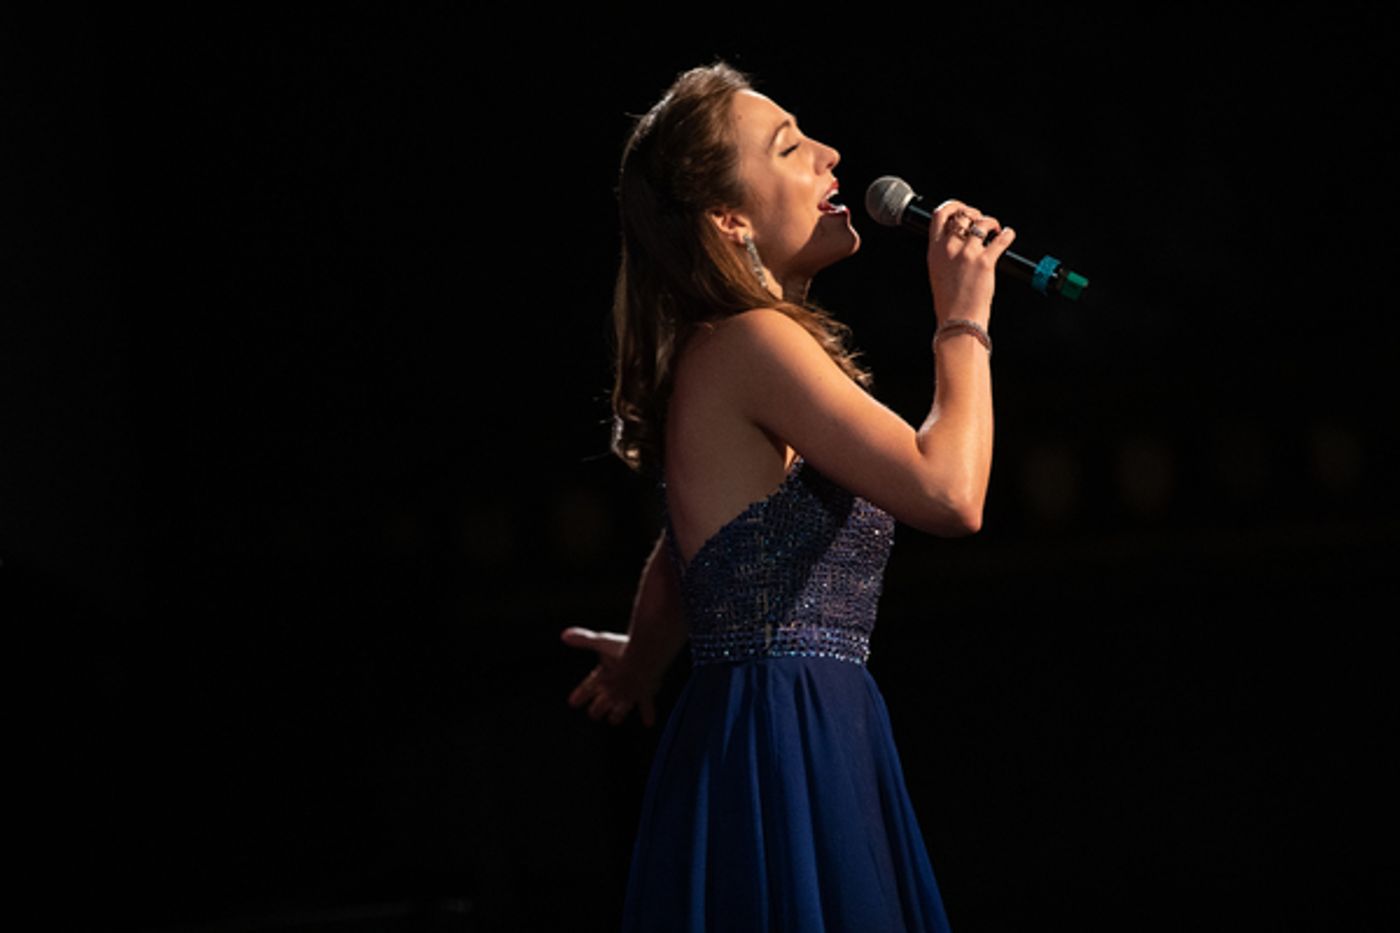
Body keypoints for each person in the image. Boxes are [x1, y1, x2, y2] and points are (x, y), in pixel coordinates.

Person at [561, 61, 1015, 932]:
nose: (830, 155)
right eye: (791, 146)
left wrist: (642, 657)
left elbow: (688, 549)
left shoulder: (736, 348)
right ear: (731, 221)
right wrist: (963, 319)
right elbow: (950, 492)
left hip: (799, 725)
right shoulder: (751, 343)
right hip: (785, 735)